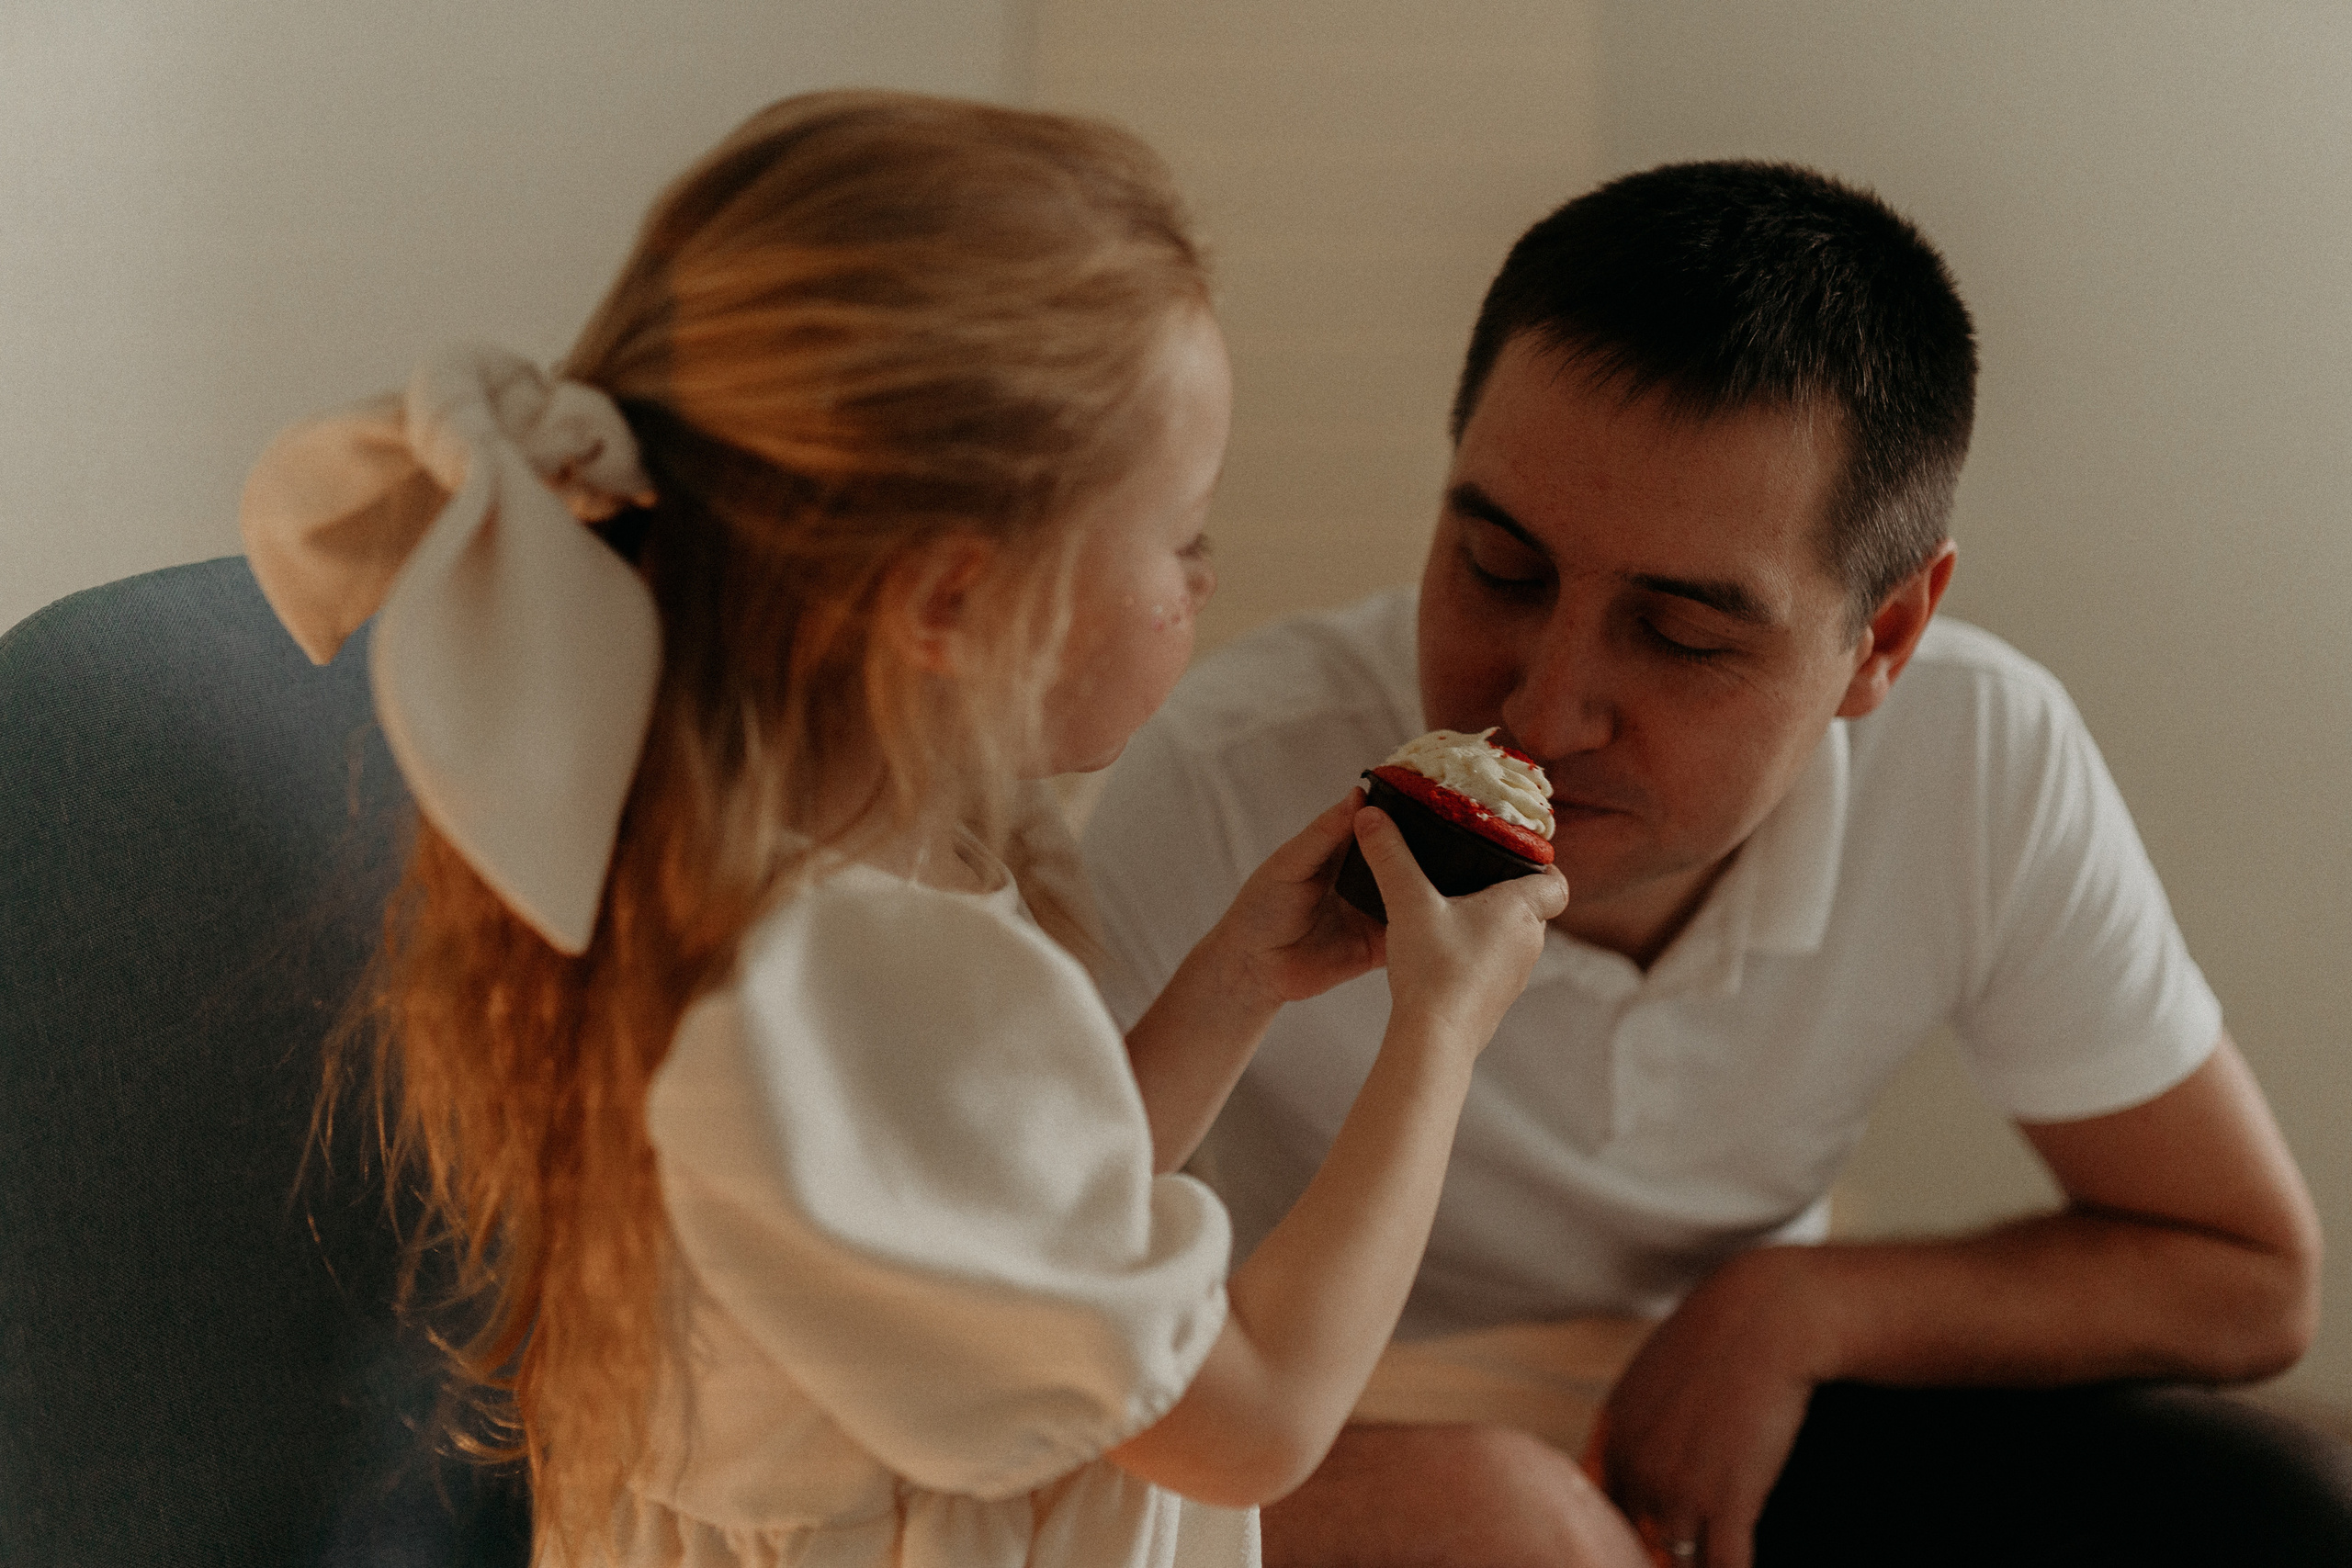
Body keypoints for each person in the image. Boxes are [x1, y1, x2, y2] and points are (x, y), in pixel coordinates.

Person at [233, 92, 1599, 1568]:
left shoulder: (764, 874)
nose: (1205, 583)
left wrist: (1232, 982)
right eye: (1183, 535)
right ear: (953, 603)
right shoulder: (850, 978)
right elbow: (1252, 1418)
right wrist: (1440, 1035)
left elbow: (996, 1252)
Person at [1080, 160, 2352, 1567]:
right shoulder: (1230, 773)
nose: (1547, 711)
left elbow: (2248, 1276)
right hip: (1320, 1431)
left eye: (1685, 638)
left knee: (2264, 1511)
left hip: (1694, 1409)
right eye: (1499, 567)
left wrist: (1792, 1309)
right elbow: (1005, 1300)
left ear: (1884, 639)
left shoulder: (1979, 758)